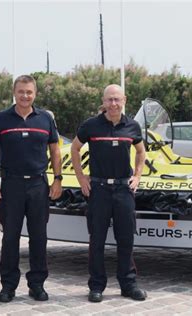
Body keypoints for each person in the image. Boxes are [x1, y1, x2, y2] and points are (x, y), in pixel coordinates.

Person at [0, 75, 62, 303]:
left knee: (39, 237)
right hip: (12, 186)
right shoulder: (1, 119)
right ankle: (8, 286)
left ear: (35, 94)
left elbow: (55, 151)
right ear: (14, 92)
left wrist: (57, 179)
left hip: (39, 185)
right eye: (21, 91)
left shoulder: (45, 120)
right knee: (10, 238)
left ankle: (37, 285)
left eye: (29, 92)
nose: (25, 96)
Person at [71, 84, 147, 303]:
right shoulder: (91, 126)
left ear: (124, 100)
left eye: (117, 99)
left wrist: (138, 176)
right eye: (109, 100)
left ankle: (128, 284)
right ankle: (96, 286)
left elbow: (141, 151)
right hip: (99, 191)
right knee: (97, 240)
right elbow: (75, 149)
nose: (113, 104)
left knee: (126, 239)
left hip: (124, 190)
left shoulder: (132, 126)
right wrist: (81, 178)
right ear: (103, 102)